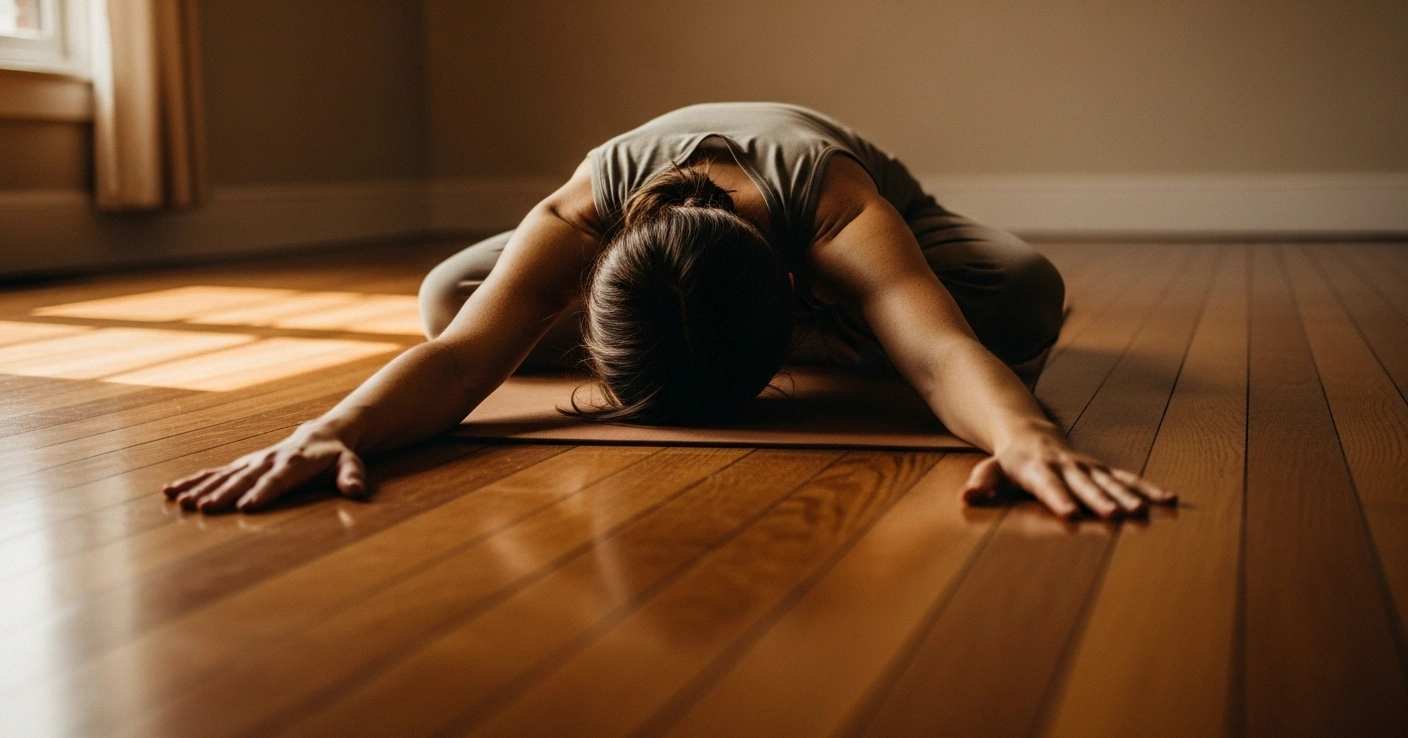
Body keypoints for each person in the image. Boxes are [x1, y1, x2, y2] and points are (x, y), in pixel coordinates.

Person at [164, 103, 1173, 518]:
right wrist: (328, 428)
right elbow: (467, 357)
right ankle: (855, 331)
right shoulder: (578, 207)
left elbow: (947, 351)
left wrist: (1029, 437)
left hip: (884, 228)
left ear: (788, 291)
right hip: (710, 266)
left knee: (1016, 298)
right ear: (593, 272)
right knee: (447, 299)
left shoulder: (833, 210)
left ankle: (855, 315)